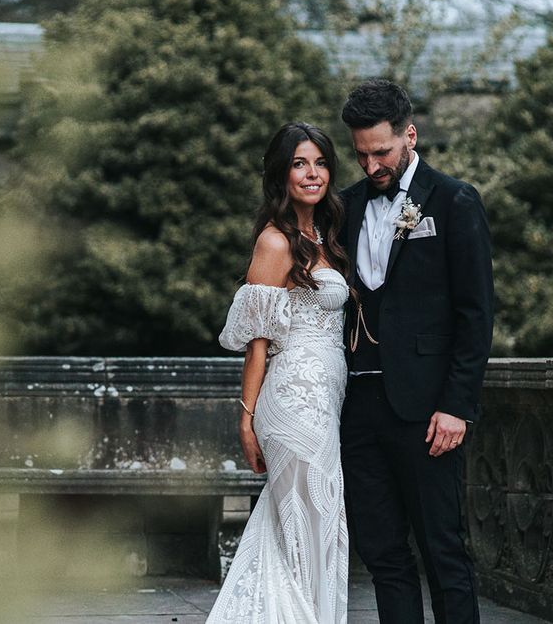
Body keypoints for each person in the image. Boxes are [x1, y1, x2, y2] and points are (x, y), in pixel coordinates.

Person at [339, 79, 494, 624]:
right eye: (360, 155)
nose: (370, 165)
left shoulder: (453, 200)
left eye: (380, 151)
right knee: (383, 554)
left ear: (409, 134)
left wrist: (458, 405)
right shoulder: (347, 207)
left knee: (443, 551)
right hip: (358, 407)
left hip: (428, 409)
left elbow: (475, 315)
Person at [207, 122, 350, 623]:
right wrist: (246, 420)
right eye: (299, 163)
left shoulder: (326, 235)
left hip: (327, 399)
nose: (312, 173)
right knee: (305, 524)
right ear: (280, 174)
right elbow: (258, 342)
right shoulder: (275, 243)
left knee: (310, 524)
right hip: (293, 400)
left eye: (320, 162)